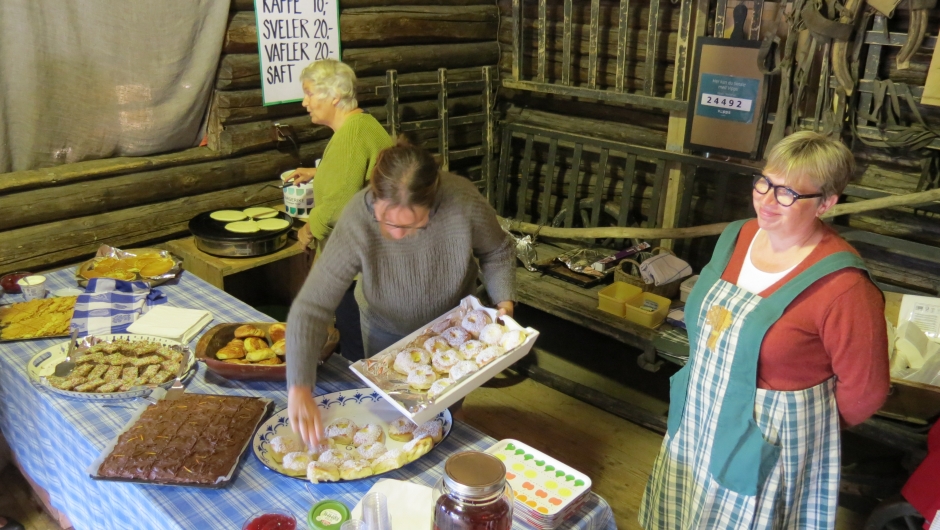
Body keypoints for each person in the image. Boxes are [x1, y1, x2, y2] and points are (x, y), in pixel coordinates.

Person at [640, 131, 890, 529]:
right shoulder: (736, 237)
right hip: (700, 413)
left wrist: (809, 422)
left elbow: (866, 392)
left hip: (768, 436)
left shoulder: (843, 288)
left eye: (789, 193)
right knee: (687, 510)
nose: (768, 201)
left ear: (826, 203)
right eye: (765, 183)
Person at [285, 138, 516, 447]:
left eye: (411, 226)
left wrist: (505, 300)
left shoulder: (462, 201)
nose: (395, 234)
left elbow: (498, 250)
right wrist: (299, 385)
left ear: (432, 203)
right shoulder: (357, 216)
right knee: (394, 422)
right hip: (385, 333)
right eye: (387, 221)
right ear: (375, 197)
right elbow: (312, 305)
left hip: (452, 333)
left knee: (447, 419)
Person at [284, 59, 393, 362]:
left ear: (334, 96)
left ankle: (366, 403)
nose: (304, 102)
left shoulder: (350, 138)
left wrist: (309, 227)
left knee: (358, 353)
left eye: (309, 94)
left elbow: (339, 208)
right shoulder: (365, 125)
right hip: (375, 260)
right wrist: (318, 172)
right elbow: (358, 178)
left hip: (355, 268)